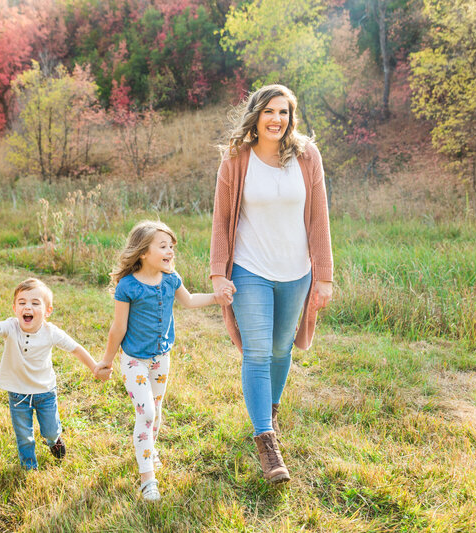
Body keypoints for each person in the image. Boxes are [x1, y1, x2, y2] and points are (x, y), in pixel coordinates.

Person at [210, 84, 333, 484]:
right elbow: (222, 219)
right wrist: (218, 272)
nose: (277, 119)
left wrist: (324, 276)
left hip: (295, 271)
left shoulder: (307, 156)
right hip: (250, 269)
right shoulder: (236, 159)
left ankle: (270, 412)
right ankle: (265, 439)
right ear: (256, 114)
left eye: (284, 112)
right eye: (269, 111)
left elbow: (318, 219)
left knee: (282, 349)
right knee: (258, 351)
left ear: (291, 117)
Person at [94, 220, 231, 502]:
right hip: (134, 361)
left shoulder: (171, 278)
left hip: (161, 358)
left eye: (172, 247)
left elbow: (190, 301)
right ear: (143, 252)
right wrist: (107, 362)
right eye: (163, 246)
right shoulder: (128, 287)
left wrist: (217, 298)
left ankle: (149, 450)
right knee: (145, 413)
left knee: (155, 409)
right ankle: (148, 481)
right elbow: (117, 329)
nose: (170, 251)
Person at [0, 277, 108, 470]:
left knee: (50, 430)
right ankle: (29, 466)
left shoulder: (51, 332)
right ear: (15, 308)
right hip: (18, 393)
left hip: (45, 392)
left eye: (35, 303)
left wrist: (94, 367)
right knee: (24, 435)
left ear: (47, 311)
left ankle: (53, 440)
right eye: (22, 303)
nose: (27, 307)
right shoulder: (11, 327)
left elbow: (75, 349)